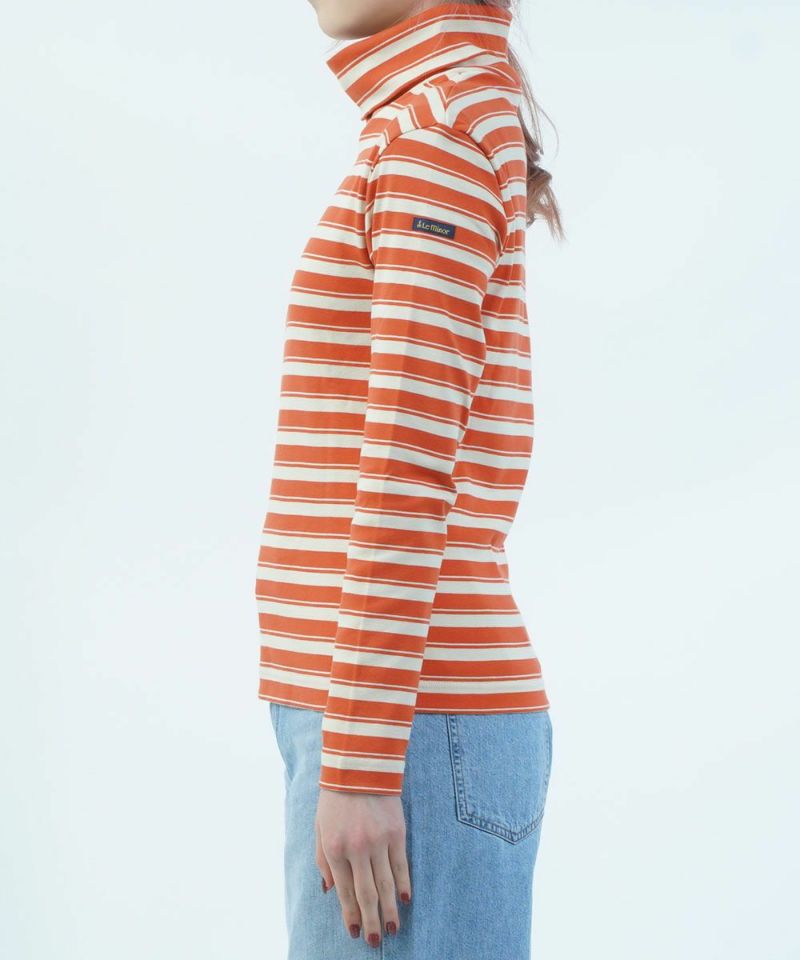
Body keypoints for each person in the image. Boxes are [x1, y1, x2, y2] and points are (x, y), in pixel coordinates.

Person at [254, 1, 564, 956]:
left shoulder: (436, 131)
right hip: (399, 721)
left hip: (405, 731)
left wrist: (357, 761)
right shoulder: (430, 118)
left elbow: (407, 461)